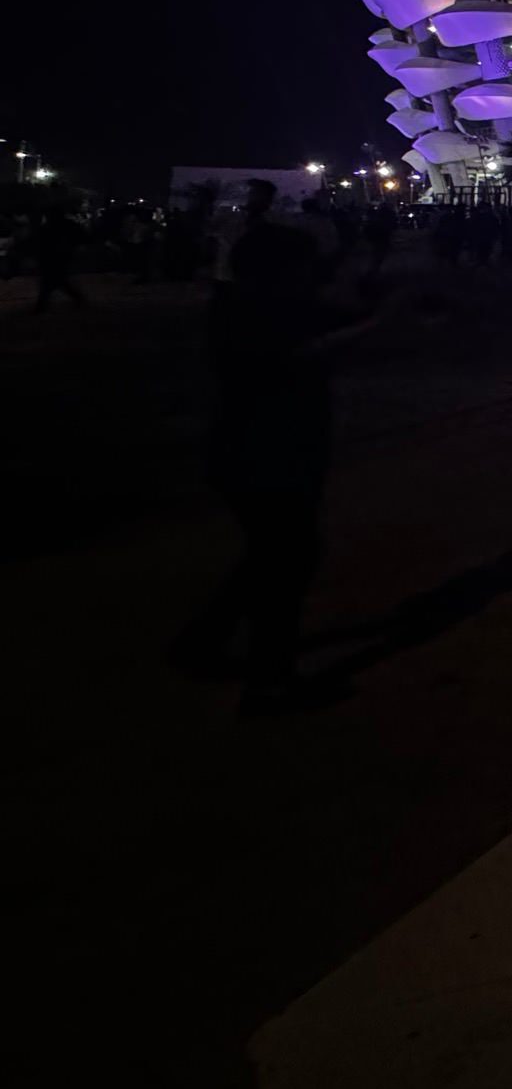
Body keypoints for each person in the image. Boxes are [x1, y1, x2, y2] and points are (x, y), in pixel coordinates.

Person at [174, 179, 371, 714]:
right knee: (286, 560)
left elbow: (343, 314)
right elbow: (297, 357)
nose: (313, 275)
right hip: (262, 453)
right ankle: (268, 680)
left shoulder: (274, 302)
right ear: (277, 272)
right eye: (303, 267)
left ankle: (205, 640)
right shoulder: (244, 313)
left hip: (275, 451)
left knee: (274, 554)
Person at [33, 209, 87, 311]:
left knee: (52, 280)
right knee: (56, 279)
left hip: (53, 257)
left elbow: (39, 243)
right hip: (62, 256)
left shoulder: (47, 227)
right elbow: (83, 236)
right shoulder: (68, 225)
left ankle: (41, 305)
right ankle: (41, 304)